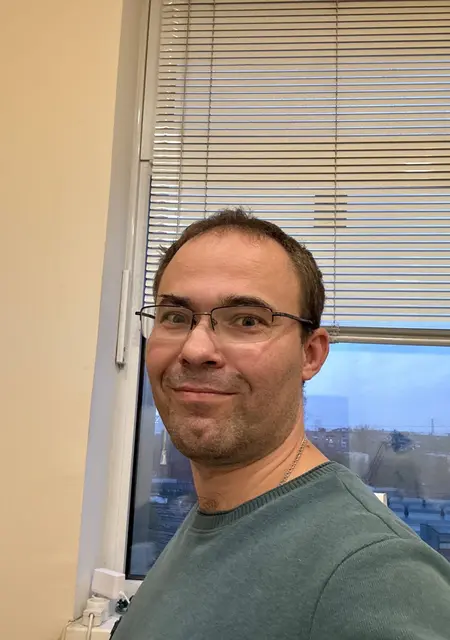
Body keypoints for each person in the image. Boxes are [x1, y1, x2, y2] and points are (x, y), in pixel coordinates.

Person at [113, 208, 450, 639]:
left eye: (247, 320)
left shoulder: (375, 576)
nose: (195, 350)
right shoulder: (212, 519)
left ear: (310, 354)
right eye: (176, 317)